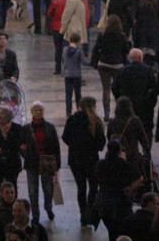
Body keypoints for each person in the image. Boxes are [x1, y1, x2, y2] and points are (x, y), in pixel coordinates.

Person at [62, 96, 106, 227]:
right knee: (93, 187)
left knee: (81, 188)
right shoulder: (96, 122)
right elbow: (101, 144)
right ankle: (90, 212)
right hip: (91, 160)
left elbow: (65, 137)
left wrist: (74, 145)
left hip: (75, 160)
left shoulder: (72, 119)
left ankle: (82, 215)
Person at [20, 102, 61, 224]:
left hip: (47, 161)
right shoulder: (26, 129)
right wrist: (24, 153)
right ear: (32, 112)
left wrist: (57, 163)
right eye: (36, 110)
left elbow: (56, 146)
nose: (38, 112)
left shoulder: (50, 127)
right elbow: (21, 145)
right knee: (33, 191)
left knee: (48, 189)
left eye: (40, 110)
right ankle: (35, 214)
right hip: (32, 162)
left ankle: (48, 208)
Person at [94, 140, 143, 241]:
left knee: (111, 229)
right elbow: (139, 178)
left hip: (105, 200)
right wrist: (131, 188)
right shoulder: (124, 165)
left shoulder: (101, 164)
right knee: (122, 228)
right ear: (119, 151)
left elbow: (96, 177)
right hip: (122, 201)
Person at [112, 48, 158, 139]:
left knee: (127, 131)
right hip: (144, 106)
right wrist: (151, 103)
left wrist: (120, 99)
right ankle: (147, 151)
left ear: (130, 58)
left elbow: (114, 87)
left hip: (127, 105)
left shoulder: (122, 71)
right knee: (146, 130)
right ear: (141, 58)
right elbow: (154, 89)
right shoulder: (148, 71)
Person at [90, 15, 130, 121]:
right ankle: (118, 111)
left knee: (106, 89)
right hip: (117, 65)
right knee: (118, 89)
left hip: (103, 64)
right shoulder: (122, 36)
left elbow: (96, 49)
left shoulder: (102, 35)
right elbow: (126, 51)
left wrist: (93, 63)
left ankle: (106, 113)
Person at [0, 106, 25, 194]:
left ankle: (12, 205)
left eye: (1, 116)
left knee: (12, 185)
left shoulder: (17, 128)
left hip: (12, 162)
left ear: (8, 117)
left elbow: (20, 144)